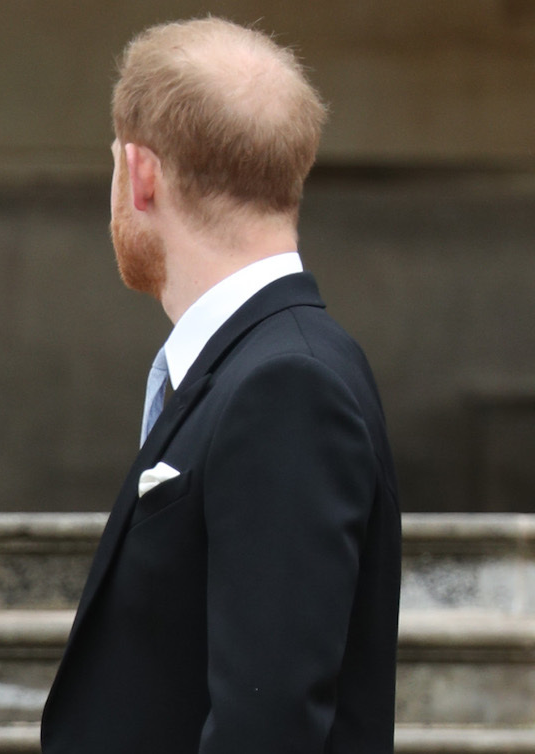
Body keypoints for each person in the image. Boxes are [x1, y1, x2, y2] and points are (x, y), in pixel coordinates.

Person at [40, 18, 400, 754]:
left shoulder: (287, 383)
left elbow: (268, 728)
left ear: (141, 174)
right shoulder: (264, 362)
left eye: (113, 164)